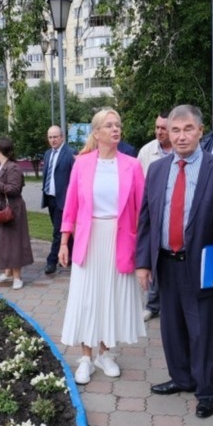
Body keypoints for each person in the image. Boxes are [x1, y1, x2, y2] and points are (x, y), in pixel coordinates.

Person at [136, 105, 213, 419]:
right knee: (171, 327)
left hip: (203, 266)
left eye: (187, 129)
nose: (180, 136)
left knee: (202, 330)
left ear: (201, 130)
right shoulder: (157, 169)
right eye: (174, 130)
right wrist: (143, 262)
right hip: (165, 262)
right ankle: (181, 378)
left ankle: (207, 390)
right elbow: (147, 219)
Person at [60, 108, 146, 384]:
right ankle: (85, 357)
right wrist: (64, 242)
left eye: (118, 125)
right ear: (96, 133)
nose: (115, 129)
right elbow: (70, 206)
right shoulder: (82, 164)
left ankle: (104, 353)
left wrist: (142, 248)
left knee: (110, 296)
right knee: (88, 297)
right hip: (89, 238)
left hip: (119, 239)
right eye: (109, 125)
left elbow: (142, 209)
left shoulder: (132, 165)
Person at [136, 111, 172, 321]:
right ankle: (152, 304)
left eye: (163, 128)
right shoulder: (147, 151)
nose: (159, 131)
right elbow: (140, 185)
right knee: (154, 259)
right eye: (157, 127)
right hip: (153, 213)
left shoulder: (181, 148)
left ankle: (171, 303)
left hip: (177, 213)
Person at [0, 138, 33, 290]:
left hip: (13, 210)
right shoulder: (1, 166)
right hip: (3, 209)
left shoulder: (13, 168)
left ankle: (17, 277)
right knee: (5, 242)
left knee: (15, 243)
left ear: (0, 151)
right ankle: (7, 272)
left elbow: (14, 189)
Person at [41, 125, 75, 275]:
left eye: (55, 137)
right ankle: (70, 256)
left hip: (65, 199)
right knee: (64, 230)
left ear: (62, 137)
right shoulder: (48, 154)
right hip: (50, 198)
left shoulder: (70, 153)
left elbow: (76, 178)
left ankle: (52, 261)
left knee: (58, 231)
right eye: (50, 137)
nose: (53, 140)